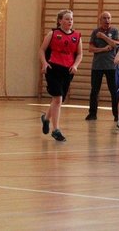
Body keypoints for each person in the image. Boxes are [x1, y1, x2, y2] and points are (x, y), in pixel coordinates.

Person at [38, 9, 83, 142]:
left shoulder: (77, 36)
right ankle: (56, 130)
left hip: (67, 70)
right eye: (67, 19)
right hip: (53, 68)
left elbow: (79, 54)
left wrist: (75, 65)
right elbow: (42, 50)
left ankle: (46, 119)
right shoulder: (53, 34)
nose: (70, 21)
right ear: (60, 21)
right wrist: (44, 63)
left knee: (58, 100)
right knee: (58, 99)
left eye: (71, 19)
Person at [86, 12, 119, 121]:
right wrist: (103, 49)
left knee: (114, 91)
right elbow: (90, 49)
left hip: (111, 66)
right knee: (94, 91)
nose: (107, 20)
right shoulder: (95, 32)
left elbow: (116, 45)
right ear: (100, 20)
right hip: (97, 66)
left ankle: (117, 115)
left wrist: (104, 37)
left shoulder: (114, 31)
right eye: (104, 18)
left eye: (108, 18)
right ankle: (92, 114)